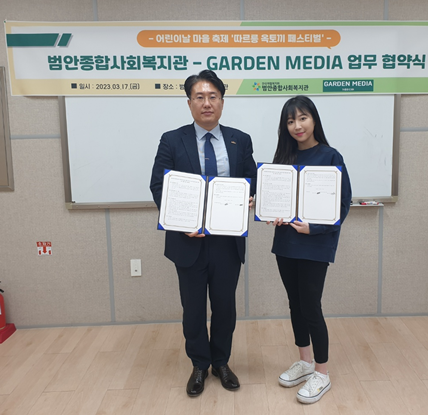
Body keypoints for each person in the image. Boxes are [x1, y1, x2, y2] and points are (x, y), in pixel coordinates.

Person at [150, 70, 257, 397]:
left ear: (222, 102)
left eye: (213, 97)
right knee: (193, 309)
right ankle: (199, 364)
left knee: (225, 307)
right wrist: (181, 222)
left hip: (227, 242)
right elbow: (159, 186)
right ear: (189, 103)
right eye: (200, 97)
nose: (206, 103)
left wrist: (252, 197)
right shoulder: (172, 140)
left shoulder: (240, 139)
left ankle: (221, 362)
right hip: (188, 241)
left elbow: (251, 179)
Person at [267, 95, 351, 404]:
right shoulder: (283, 158)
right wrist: (270, 213)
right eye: (290, 121)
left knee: (311, 306)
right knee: (295, 304)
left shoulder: (331, 156)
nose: (297, 126)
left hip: (315, 244)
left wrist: (313, 228)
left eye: (302, 118)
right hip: (286, 244)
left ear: (314, 119)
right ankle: (304, 362)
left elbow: (342, 205)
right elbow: (275, 202)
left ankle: (322, 373)